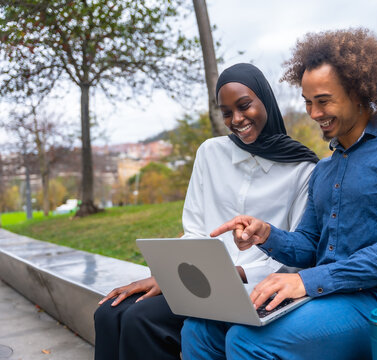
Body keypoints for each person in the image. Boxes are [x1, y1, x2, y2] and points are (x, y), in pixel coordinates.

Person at [180, 28, 377, 360]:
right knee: (200, 329)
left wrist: (307, 282)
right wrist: (267, 235)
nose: (315, 114)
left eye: (323, 101)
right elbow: (307, 243)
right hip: (322, 297)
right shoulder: (325, 169)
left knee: (247, 341)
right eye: (308, 102)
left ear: (358, 92)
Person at [93, 63, 318, 360]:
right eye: (226, 112)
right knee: (109, 313)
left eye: (244, 106)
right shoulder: (210, 153)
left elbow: (297, 253)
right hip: (198, 283)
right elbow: (195, 230)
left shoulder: (303, 169)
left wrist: (223, 275)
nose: (236, 119)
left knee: (140, 319)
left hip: (256, 290)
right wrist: (169, 276)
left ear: (265, 99)